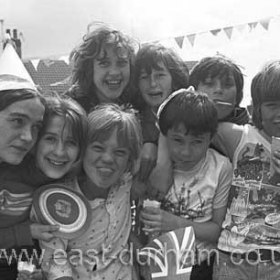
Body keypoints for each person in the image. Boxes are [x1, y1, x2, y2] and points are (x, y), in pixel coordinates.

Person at [35, 103, 142, 280]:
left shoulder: (126, 183)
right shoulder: (56, 200)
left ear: (129, 160)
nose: (108, 158)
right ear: (82, 150)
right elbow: (54, 258)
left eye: (120, 152)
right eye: (98, 148)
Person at [140, 88, 232, 280]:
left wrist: (175, 223)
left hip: (202, 265)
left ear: (211, 137)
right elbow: (140, 218)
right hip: (159, 262)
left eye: (197, 142)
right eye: (178, 140)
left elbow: (217, 231)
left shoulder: (220, 168)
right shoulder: (155, 165)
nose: (186, 152)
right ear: (164, 135)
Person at [0, 94, 88, 280]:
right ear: (35, 140)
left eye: (71, 142)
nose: (59, 151)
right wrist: (26, 232)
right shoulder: (8, 172)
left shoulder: (69, 181)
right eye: (50, 139)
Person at [211, 60, 280, 280]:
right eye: (271, 104)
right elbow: (191, 116)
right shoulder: (239, 136)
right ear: (255, 108)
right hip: (233, 258)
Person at [132, 42, 189, 186]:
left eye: (159, 75)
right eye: (144, 77)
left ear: (174, 79)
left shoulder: (190, 111)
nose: (152, 84)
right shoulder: (134, 118)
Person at [66, 23, 137, 113]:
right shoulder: (72, 113)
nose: (114, 72)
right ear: (89, 68)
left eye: (121, 63)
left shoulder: (139, 107)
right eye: (104, 63)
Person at [189, 55, 250, 125]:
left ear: (237, 96)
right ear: (193, 91)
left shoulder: (253, 134)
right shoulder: (176, 129)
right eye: (209, 84)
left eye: (227, 85)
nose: (218, 90)